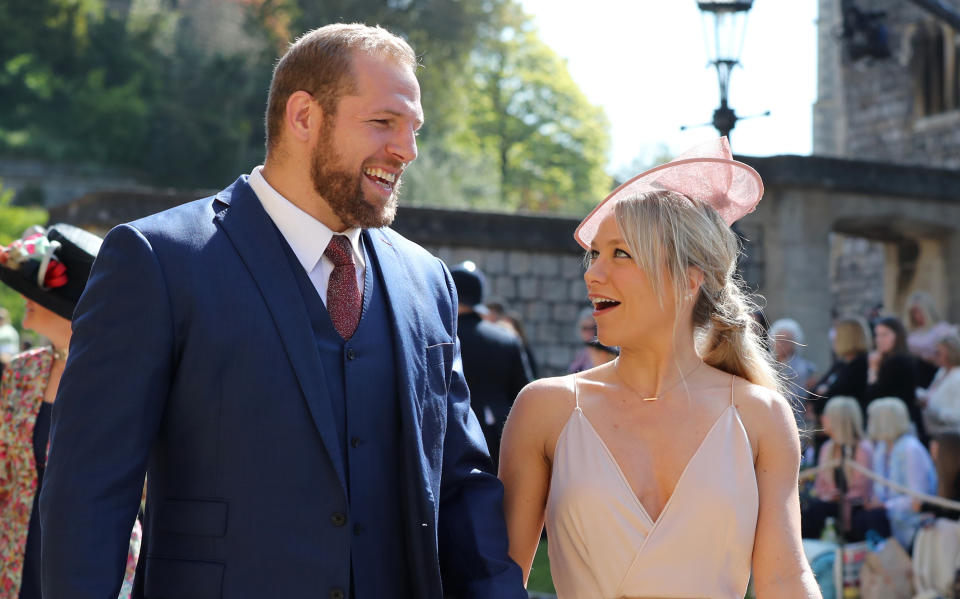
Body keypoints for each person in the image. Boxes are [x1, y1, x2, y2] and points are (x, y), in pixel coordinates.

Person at [39, 24, 525, 599]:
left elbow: (460, 486)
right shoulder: (159, 261)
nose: (408, 149)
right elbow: (89, 490)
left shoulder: (427, 281)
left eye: (414, 128)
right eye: (384, 122)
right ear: (303, 117)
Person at [500, 138, 820, 598]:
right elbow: (501, 580)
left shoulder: (761, 415)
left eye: (621, 254)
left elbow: (786, 578)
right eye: (595, 255)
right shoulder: (544, 409)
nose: (592, 274)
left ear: (689, 280)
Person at [0, 225, 140, 599]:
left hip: (93, 565)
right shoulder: (21, 372)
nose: (24, 296)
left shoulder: (128, 381)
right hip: (14, 558)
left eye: (38, 289)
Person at [451, 261, 532, 472]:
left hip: (448, 435)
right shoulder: (506, 339)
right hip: (499, 437)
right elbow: (523, 391)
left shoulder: (440, 337)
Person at [855, 397, 937, 550]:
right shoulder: (882, 448)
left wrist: (886, 505)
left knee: (875, 517)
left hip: (910, 520)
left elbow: (918, 497)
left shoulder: (910, 449)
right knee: (860, 517)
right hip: (889, 514)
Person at [801, 396, 873, 541]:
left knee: (816, 510)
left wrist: (840, 496)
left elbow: (863, 488)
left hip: (853, 506)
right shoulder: (827, 448)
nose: (823, 418)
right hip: (830, 503)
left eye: (828, 415)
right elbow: (820, 486)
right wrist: (829, 495)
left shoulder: (863, 449)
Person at [865, 316, 925, 442]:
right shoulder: (893, 359)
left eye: (885, 335)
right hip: (895, 423)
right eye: (877, 335)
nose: (879, 340)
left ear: (897, 336)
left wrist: (873, 369)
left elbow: (875, 395)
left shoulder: (897, 361)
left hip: (896, 425)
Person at [811, 316, 871, 416]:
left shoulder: (860, 365)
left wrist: (824, 391)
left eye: (837, 334)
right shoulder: (841, 364)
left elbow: (833, 395)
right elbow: (813, 394)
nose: (833, 338)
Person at [904, 291, 958, 386]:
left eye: (919, 311)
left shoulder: (942, 329)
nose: (917, 316)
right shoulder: (913, 333)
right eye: (914, 312)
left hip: (936, 372)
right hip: (919, 375)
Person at [920, 333, 960, 435]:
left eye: (938, 353)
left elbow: (956, 414)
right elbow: (931, 395)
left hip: (951, 436)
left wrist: (930, 407)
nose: (935, 356)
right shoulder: (942, 372)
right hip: (934, 431)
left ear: (951, 353)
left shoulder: (957, 377)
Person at [769, 317, 817, 398]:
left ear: (795, 343)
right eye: (779, 339)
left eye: (787, 340)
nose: (782, 344)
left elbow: (796, 396)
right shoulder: (766, 362)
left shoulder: (804, 368)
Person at [567, 306, 597, 373]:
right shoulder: (581, 352)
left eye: (592, 328)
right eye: (585, 328)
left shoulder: (600, 352)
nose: (589, 332)